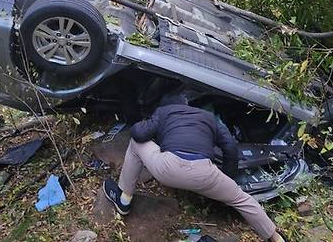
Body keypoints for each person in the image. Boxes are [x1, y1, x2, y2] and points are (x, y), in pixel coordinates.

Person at [103, 94, 288, 242]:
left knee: (136, 143)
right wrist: (227, 177)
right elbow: (230, 147)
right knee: (242, 199)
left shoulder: (164, 112)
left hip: (168, 168)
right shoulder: (208, 117)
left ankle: (123, 199)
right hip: (205, 173)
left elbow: (139, 133)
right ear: (188, 105)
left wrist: (146, 122)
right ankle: (276, 238)